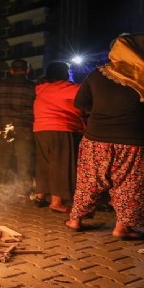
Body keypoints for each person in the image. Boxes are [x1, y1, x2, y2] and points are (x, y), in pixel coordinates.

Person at [65, 33, 144, 240]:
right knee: (132, 185)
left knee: (89, 180)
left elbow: (80, 103)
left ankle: (76, 220)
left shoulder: (99, 73)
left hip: (96, 140)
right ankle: (122, 228)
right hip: (137, 140)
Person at [31, 62, 85, 213]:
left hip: (40, 128)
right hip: (61, 127)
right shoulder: (67, 87)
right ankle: (56, 202)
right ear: (65, 73)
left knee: (44, 163)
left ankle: (40, 196)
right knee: (60, 164)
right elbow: (87, 98)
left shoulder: (42, 88)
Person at [0, 59, 36, 197]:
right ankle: (23, 191)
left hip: (4, 125)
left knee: (2, 158)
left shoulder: (1, 85)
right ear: (27, 70)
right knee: (24, 160)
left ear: (11, 70)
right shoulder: (32, 86)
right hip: (23, 126)